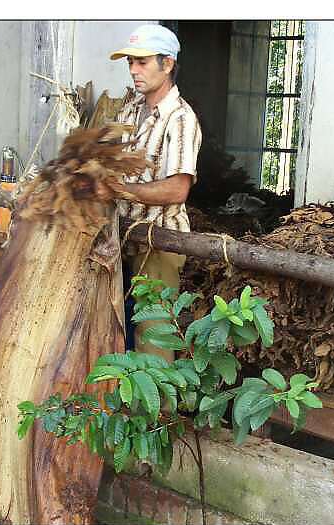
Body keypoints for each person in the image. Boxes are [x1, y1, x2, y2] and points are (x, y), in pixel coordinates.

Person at [105, 24, 202, 361]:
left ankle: (157, 413)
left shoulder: (180, 119)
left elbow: (178, 188)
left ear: (168, 63)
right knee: (119, 332)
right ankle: (122, 411)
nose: (133, 70)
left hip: (160, 244)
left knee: (154, 342)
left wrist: (124, 190)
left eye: (143, 62)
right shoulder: (130, 111)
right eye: (131, 62)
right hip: (124, 238)